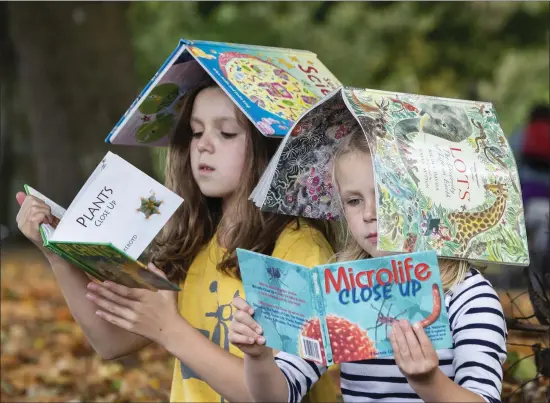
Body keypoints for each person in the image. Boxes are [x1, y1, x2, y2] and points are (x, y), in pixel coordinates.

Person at [15, 79, 340, 402]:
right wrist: (57, 253)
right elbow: (112, 342)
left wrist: (169, 329)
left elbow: (275, 395)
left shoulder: (300, 250)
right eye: (196, 132)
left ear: (272, 147)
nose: (203, 145)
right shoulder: (192, 243)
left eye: (226, 133)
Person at [229, 128, 508, 403]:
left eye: (385, 196)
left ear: (427, 199)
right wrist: (259, 357)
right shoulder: (335, 292)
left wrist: (429, 382)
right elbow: (278, 395)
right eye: (354, 200)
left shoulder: (467, 295)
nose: (369, 214)